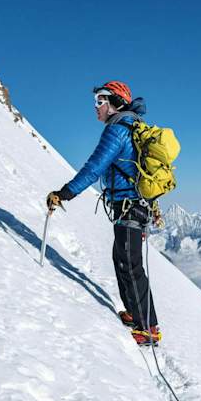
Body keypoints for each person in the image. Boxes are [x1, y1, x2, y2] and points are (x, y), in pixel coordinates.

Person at [46, 81, 161, 346]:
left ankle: (149, 328)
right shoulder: (132, 127)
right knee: (122, 259)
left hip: (129, 206)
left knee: (130, 264)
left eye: (100, 101)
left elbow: (94, 168)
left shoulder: (117, 130)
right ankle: (135, 315)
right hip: (133, 206)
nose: (95, 107)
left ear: (115, 102)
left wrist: (65, 193)